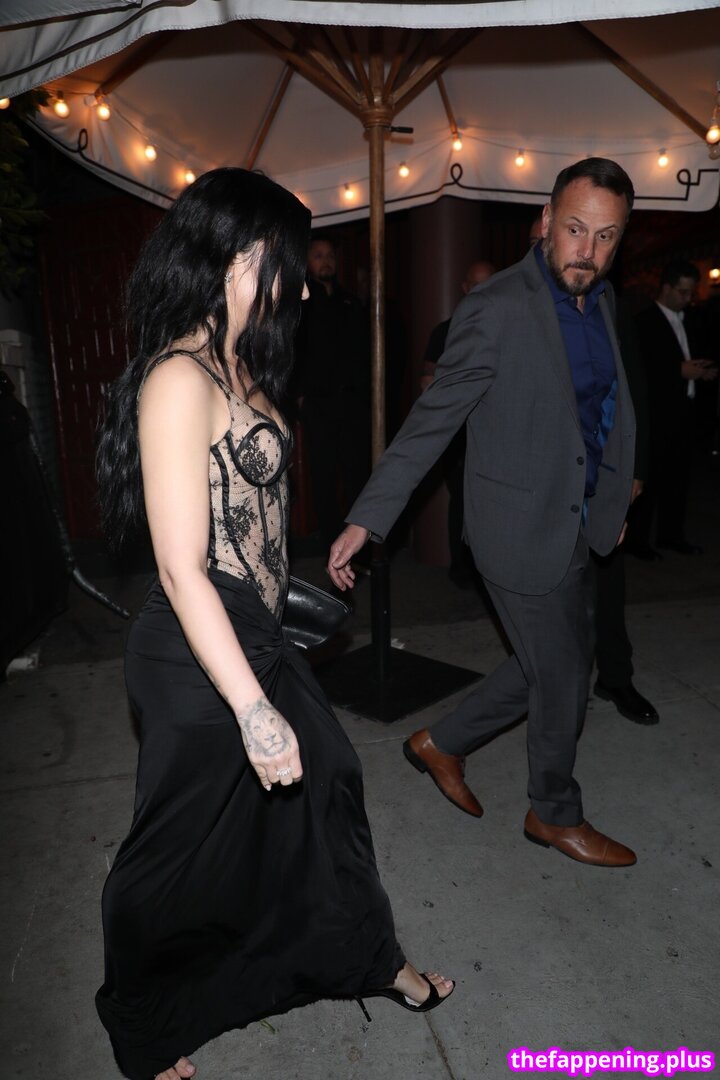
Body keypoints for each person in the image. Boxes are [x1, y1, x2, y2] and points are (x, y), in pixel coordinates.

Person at [94, 169, 453, 1080]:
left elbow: (250, 509)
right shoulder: (179, 377)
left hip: (256, 628)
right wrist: (254, 710)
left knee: (326, 788)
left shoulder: (239, 365)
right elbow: (182, 567)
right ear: (239, 256)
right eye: (290, 262)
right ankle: (143, 1024)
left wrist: (304, 573)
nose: (303, 286)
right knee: (172, 854)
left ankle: (370, 960)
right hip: (196, 650)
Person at [329, 158, 639, 868]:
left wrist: (615, 491)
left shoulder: (602, 300)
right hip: (516, 528)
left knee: (556, 661)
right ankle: (553, 813)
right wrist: (367, 518)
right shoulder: (496, 308)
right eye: (575, 230)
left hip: (577, 517)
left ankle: (442, 742)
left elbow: (607, 408)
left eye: (606, 237)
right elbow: (432, 420)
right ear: (545, 221)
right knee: (563, 676)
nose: (587, 251)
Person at [529, 217, 659, 726]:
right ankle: (548, 680)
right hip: (544, 477)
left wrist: (636, 467)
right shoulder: (521, 306)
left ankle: (616, 676)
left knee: (608, 576)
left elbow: (634, 387)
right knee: (548, 589)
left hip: (602, 471)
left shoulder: (605, 302)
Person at [626, 260, 718, 557]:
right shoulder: (644, 322)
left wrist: (702, 371)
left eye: (691, 293)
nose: (688, 298)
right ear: (666, 288)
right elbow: (640, 370)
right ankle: (637, 541)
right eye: (682, 292)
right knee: (649, 480)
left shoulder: (691, 320)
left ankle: (671, 535)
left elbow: (694, 355)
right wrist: (679, 371)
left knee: (678, 478)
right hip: (657, 415)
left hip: (685, 412)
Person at [420, 261, 496, 588]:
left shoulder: (508, 326)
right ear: (465, 288)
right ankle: (463, 569)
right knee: (463, 500)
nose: (481, 291)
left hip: (496, 434)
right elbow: (426, 381)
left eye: (488, 284)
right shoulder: (445, 331)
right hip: (458, 433)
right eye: (475, 285)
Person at [293, 235, 371, 549]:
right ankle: (330, 544)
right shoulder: (301, 304)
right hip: (319, 403)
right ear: (307, 262)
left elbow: (364, 351)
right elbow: (293, 351)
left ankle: (357, 546)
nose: (326, 261)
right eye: (318, 255)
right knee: (323, 476)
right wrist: (300, 397)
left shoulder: (350, 301)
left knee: (357, 474)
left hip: (352, 401)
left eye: (330, 255)